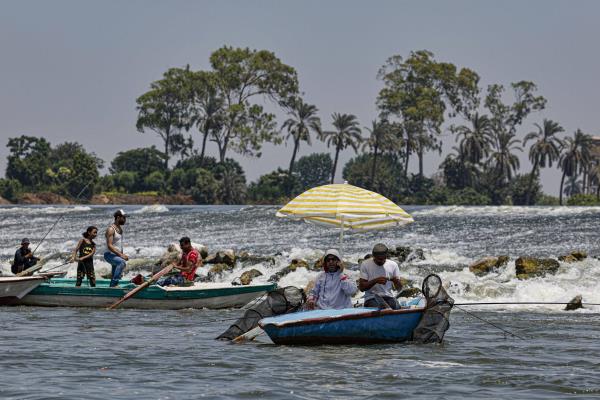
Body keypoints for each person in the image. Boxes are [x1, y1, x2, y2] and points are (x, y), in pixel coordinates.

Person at [359, 243, 403, 309]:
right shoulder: (365, 264)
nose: (381, 261)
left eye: (383, 258)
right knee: (383, 308)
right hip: (371, 297)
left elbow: (399, 288)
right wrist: (375, 281)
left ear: (386, 256)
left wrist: (396, 282)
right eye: (379, 259)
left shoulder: (393, 265)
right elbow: (362, 288)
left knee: (396, 308)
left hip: (388, 296)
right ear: (373, 256)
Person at [104, 209, 128, 287]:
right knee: (121, 263)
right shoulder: (111, 229)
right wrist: (121, 255)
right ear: (118, 218)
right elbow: (109, 245)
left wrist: (121, 254)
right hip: (109, 254)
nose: (125, 220)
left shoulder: (120, 229)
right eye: (123, 218)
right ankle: (114, 285)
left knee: (115, 272)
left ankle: (112, 287)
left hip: (115, 254)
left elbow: (118, 244)